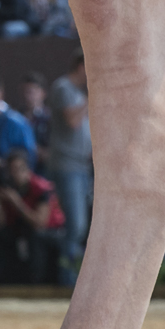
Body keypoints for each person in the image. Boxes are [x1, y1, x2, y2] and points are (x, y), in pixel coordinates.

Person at [41, 58, 93, 279]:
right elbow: (72, 121)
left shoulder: (78, 92)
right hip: (67, 166)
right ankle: (68, 280)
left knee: (79, 227)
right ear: (81, 66)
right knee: (76, 226)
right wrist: (91, 97)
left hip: (81, 166)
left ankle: (71, 276)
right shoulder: (64, 87)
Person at [0, 147, 64, 284]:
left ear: (27, 169)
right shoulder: (8, 187)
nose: (15, 174)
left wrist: (17, 202)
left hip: (49, 231)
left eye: (18, 169)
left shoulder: (41, 188)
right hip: (21, 228)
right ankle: (3, 282)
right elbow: (0, 224)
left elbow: (40, 223)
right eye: (11, 170)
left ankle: (36, 284)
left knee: (36, 237)